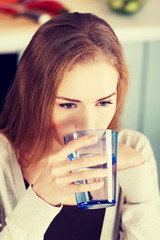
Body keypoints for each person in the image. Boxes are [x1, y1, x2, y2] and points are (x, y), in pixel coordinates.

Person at [0, 12, 159, 240]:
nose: (90, 125)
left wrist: (139, 188)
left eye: (104, 102)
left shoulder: (135, 152)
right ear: (34, 96)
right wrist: (41, 199)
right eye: (68, 105)